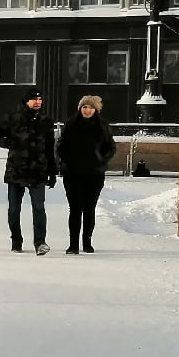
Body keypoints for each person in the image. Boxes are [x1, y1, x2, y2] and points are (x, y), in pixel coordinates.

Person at [0, 87, 57, 255]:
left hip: (38, 171)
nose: (38, 102)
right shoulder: (12, 119)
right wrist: (8, 143)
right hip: (16, 171)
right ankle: (16, 241)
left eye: (40, 99)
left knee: (39, 207)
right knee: (14, 209)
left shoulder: (45, 121)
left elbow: (50, 148)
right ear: (26, 101)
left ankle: (40, 243)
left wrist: (53, 172)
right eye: (34, 99)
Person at [56, 94, 118, 254]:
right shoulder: (70, 125)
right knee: (75, 208)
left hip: (94, 174)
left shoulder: (103, 126)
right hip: (73, 173)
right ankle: (73, 244)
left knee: (89, 208)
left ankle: (87, 242)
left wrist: (101, 160)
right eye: (84, 107)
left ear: (96, 110)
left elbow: (110, 147)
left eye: (91, 107)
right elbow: (61, 146)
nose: (87, 110)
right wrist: (66, 161)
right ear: (80, 108)